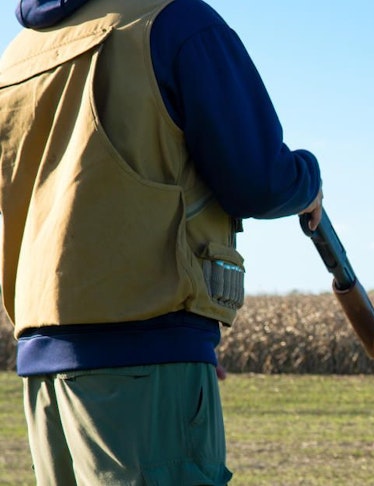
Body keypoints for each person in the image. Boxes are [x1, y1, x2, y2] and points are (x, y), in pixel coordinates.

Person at [0, 0, 322, 483]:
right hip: (146, 341)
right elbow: (259, 179)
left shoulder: (17, 56)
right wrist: (308, 182)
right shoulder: (173, 20)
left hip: (43, 354)